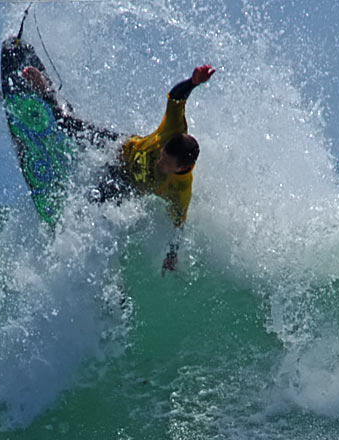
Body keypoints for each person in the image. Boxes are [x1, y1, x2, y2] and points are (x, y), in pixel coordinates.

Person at [15, 53, 215, 275]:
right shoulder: (174, 130)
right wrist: (193, 82)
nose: (160, 162)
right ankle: (47, 92)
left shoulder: (180, 191)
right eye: (161, 156)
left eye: (166, 163)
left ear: (180, 168)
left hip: (124, 184)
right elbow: (176, 99)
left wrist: (172, 255)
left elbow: (179, 226)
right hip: (120, 148)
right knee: (67, 124)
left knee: (92, 205)